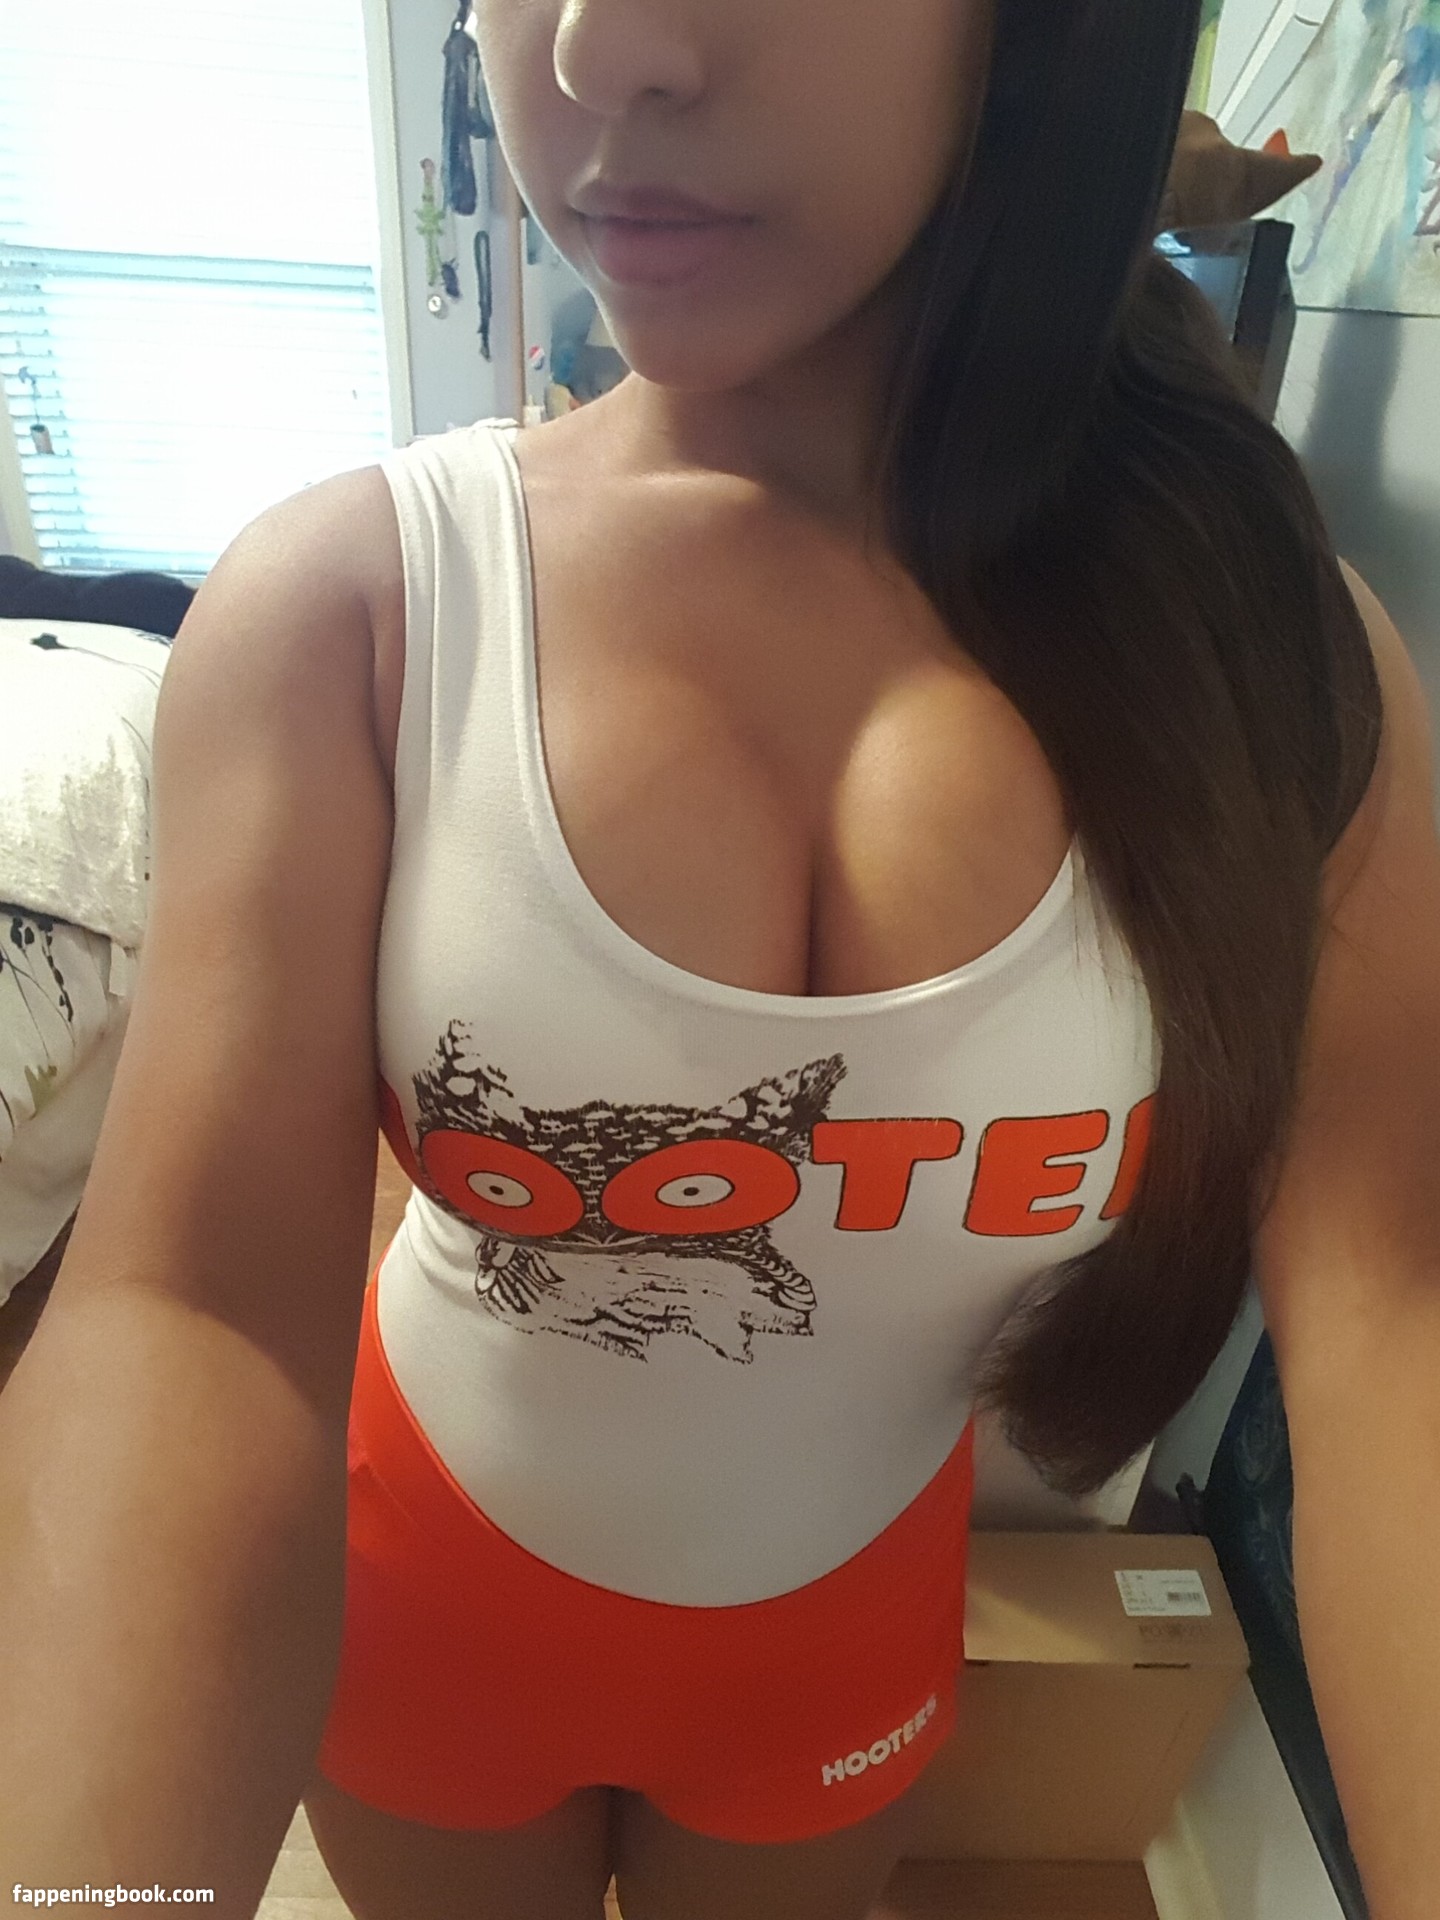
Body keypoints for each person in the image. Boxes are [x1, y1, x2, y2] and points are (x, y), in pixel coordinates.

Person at [2, 4, 1438, 1918]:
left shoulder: (1275, 662)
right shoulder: (355, 611)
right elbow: (187, 1316)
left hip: (833, 1649)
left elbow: (1395, 1315)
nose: (596, 49)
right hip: (430, 1600)